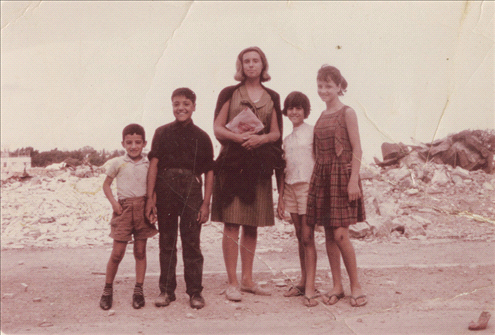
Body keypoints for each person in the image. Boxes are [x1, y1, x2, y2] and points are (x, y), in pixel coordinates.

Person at [211, 46, 284, 302]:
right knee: (232, 223)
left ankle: (248, 280)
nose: (251, 65)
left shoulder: (272, 96)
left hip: (258, 167)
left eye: (256, 61)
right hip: (232, 164)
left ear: (263, 66)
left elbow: (276, 134)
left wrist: (260, 140)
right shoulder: (229, 93)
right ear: (240, 66)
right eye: (246, 61)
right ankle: (232, 282)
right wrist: (239, 137)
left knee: (251, 224)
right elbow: (217, 129)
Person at [145, 88, 214, 310]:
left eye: (186, 103)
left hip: (192, 191)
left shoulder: (202, 137)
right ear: (171, 106)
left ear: (194, 106)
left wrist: (206, 203)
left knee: (192, 242)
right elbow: (154, 165)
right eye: (176, 104)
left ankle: (195, 292)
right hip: (165, 190)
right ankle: (166, 291)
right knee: (167, 242)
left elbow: (209, 172)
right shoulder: (162, 133)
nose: (181, 108)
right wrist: (150, 198)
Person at [306, 65, 368, 307]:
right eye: (320, 86)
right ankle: (337, 286)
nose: (323, 90)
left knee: (341, 234)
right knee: (329, 235)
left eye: (329, 86)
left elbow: (358, 149)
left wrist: (353, 181)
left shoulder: (347, 113)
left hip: (342, 178)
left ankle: (356, 285)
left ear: (340, 87)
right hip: (323, 177)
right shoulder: (321, 116)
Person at [99, 123, 158, 310]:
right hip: (123, 210)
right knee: (117, 253)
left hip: (143, 208)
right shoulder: (117, 163)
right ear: (123, 143)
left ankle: (138, 290)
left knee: (140, 252)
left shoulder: (148, 163)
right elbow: (106, 185)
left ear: (144, 143)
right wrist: (114, 204)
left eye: (137, 142)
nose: (133, 146)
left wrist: (152, 205)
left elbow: (153, 187)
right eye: (129, 142)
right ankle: (107, 290)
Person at [276, 91, 318, 307]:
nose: (294, 112)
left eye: (298, 108)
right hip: (291, 188)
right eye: (291, 108)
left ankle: (311, 287)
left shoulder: (313, 132)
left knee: (308, 237)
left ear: (305, 110)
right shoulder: (287, 139)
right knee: (299, 236)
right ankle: (303, 281)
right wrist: (281, 197)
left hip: (308, 188)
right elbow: (284, 170)